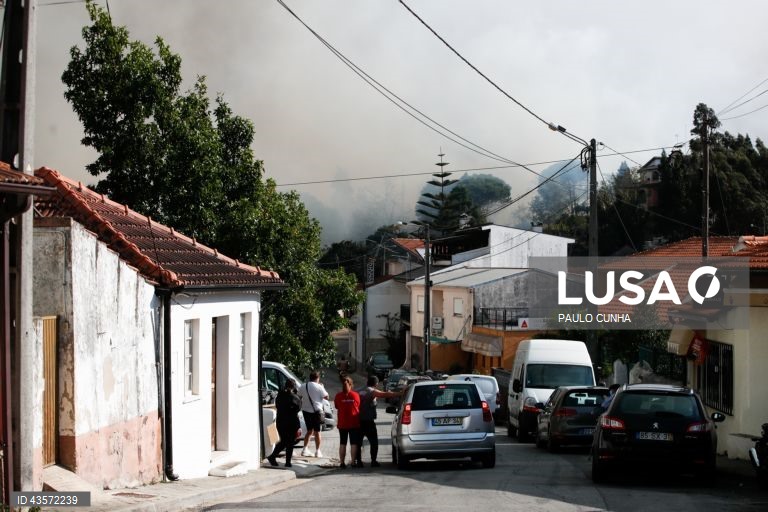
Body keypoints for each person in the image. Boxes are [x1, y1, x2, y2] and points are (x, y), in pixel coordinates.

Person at [354, 375, 400, 467]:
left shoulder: (357, 391)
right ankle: (373, 461)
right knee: (374, 442)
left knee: (358, 442)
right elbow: (384, 394)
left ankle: (358, 461)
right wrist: (399, 393)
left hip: (358, 421)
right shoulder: (371, 391)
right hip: (368, 421)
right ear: (376, 384)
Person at [267, 379, 301, 468]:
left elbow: (278, 406)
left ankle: (277, 458)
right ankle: (283, 460)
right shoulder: (294, 397)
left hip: (281, 421)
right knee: (289, 442)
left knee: (285, 441)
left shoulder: (280, 395)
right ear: (293, 387)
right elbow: (298, 408)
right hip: (291, 422)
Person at [297, 370, 329, 458]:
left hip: (306, 411)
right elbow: (327, 397)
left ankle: (304, 449)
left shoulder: (303, 386)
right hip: (316, 412)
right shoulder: (319, 386)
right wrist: (322, 387)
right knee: (317, 432)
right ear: (317, 378)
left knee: (309, 431)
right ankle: (318, 451)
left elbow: (299, 396)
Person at [334, 375, 362, 468]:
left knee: (343, 443)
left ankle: (342, 463)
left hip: (342, 423)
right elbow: (358, 406)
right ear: (351, 385)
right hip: (354, 423)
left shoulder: (338, 396)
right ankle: (353, 462)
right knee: (353, 443)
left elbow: (337, 406)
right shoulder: (356, 395)